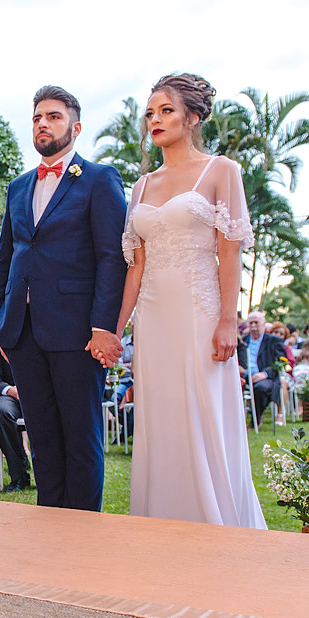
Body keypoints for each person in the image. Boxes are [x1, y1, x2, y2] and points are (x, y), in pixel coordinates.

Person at [117, 73, 266, 529]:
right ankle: (160, 522)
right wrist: (115, 328)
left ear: (193, 116)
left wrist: (228, 320)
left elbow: (230, 251)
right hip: (154, 320)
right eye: (149, 113)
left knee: (202, 414)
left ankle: (215, 521)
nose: (155, 120)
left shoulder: (221, 171)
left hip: (201, 315)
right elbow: (136, 268)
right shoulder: (140, 187)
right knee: (160, 419)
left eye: (165, 111)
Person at [0, 85, 128, 511]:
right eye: (37, 118)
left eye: (53, 116)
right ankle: (50, 526)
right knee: (44, 438)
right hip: (21, 332)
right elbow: (6, 254)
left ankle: (82, 534)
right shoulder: (18, 186)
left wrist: (103, 326)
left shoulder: (100, 179)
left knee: (80, 439)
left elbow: (112, 258)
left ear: (75, 126)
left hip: (76, 331)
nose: (43, 124)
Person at [0, 327, 31, 492]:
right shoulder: (1, 341)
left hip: (42, 394)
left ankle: (48, 474)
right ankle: (19, 474)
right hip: (11, 396)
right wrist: (10, 390)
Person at [237, 311, 286, 425]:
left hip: (264, 377)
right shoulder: (243, 340)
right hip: (244, 375)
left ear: (263, 324)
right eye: (251, 323)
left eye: (256, 323)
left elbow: (280, 361)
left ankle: (256, 420)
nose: (253, 326)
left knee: (261, 388)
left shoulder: (274, 341)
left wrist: (265, 373)